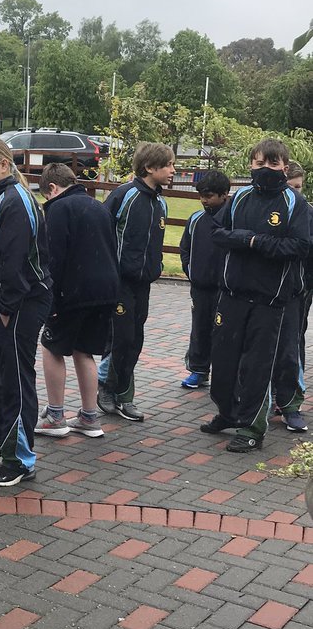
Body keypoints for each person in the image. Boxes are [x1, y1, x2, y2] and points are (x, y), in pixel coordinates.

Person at [203, 138, 311, 452]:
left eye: (273, 164)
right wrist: (248, 239)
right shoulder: (239, 197)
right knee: (222, 362)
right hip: (232, 294)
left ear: (285, 167)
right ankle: (228, 413)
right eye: (260, 162)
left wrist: (253, 242)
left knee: (256, 368)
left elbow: (300, 246)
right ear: (251, 164)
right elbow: (218, 233)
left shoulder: (295, 203)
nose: (265, 169)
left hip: (270, 300)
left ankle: (252, 429)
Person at [0, 138, 52, 487]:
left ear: (4, 165)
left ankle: (20, 459)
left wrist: (5, 307)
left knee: (15, 378)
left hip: (17, 305)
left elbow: (15, 263)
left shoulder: (15, 202)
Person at [35, 162, 119, 439]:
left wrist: (51, 301)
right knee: (85, 351)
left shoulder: (58, 209)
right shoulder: (99, 206)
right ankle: (89, 416)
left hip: (72, 293)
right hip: (105, 292)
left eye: (46, 195)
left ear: (52, 187)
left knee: (51, 347)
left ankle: (56, 415)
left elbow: (53, 258)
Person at [98, 142, 174, 422]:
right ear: (149, 167)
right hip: (119, 281)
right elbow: (102, 232)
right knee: (120, 338)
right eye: (168, 165)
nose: (173, 171)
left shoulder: (161, 201)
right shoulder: (124, 195)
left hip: (144, 283)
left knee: (135, 340)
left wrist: (157, 266)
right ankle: (107, 388)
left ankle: (123, 394)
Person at [178, 170, 230, 390]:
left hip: (226, 288)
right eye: (201, 196)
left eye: (209, 196)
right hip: (200, 287)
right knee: (200, 328)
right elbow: (185, 248)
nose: (204, 200)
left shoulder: (233, 218)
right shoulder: (196, 219)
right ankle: (198, 370)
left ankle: (225, 374)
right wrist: (191, 271)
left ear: (224, 194)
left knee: (224, 331)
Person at [269, 160, 310, 432]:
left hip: (297, 292)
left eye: (300, 188)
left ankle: (290, 404)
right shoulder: (269, 212)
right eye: (293, 187)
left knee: (290, 349)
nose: (298, 193)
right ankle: (263, 400)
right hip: (267, 292)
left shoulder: (305, 213)